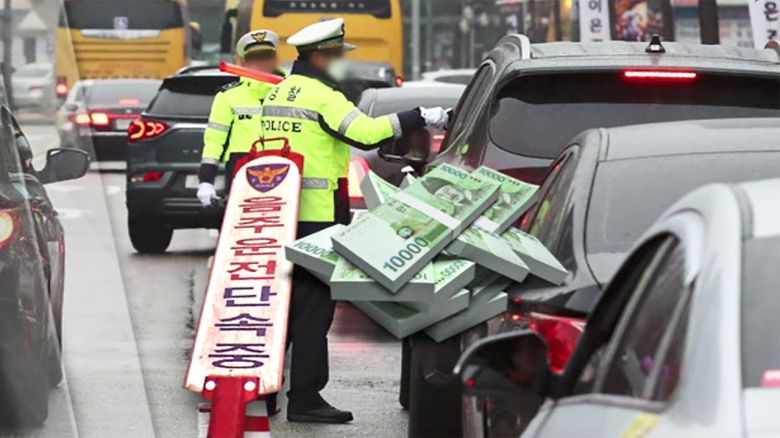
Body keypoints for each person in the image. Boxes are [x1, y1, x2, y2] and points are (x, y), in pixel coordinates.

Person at [261, 18, 449, 424]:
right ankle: (305, 398)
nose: (341, 66)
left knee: (281, 308)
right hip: (315, 216)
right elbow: (365, 133)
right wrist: (420, 116)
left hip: (279, 212)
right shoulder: (323, 96)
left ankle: (266, 392)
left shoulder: (280, 91)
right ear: (321, 57)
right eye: (337, 58)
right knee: (313, 311)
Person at [196, 29, 286, 206]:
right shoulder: (229, 96)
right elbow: (215, 140)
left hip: (286, 171)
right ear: (244, 62)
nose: (261, 63)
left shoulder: (292, 92)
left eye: (267, 56)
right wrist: (206, 180)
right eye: (254, 58)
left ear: (275, 59)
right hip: (242, 171)